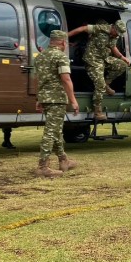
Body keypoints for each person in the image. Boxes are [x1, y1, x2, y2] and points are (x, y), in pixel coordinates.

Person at [33, 30, 80, 177]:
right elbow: (66, 79)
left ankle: (63, 160)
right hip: (57, 99)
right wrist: (73, 100)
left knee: (56, 130)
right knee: (51, 131)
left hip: (45, 98)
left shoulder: (40, 57)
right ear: (63, 43)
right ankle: (43, 166)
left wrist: (39, 99)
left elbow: (39, 79)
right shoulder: (60, 56)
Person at [67, 19, 130, 121]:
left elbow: (113, 47)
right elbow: (82, 29)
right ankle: (97, 111)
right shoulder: (101, 28)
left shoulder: (116, 35)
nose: (117, 35)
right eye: (116, 32)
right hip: (92, 60)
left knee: (122, 65)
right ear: (113, 27)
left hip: (104, 58)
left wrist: (122, 57)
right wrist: (65, 36)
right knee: (99, 84)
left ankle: (106, 84)